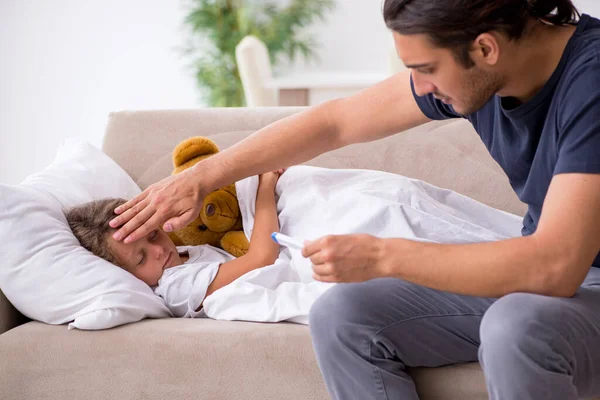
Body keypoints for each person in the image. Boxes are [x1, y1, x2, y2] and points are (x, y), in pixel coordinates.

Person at [109, 0, 600, 398]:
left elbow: (554, 267)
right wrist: (203, 174)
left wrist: (384, 255)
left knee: (515, 326)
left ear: (486, 48)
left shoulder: (590, 83)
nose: (421, 88)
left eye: (426, 69)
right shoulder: (479, 70)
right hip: (549, 280)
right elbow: (335, 122)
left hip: (574, 279)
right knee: (342, 315)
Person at [66, 170, 282, 317]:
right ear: (124, 274)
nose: (158, 250)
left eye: (153, 235)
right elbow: (262, 259)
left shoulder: (180, 254)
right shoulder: (176, 287)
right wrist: (265, 185)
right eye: (141, 259)